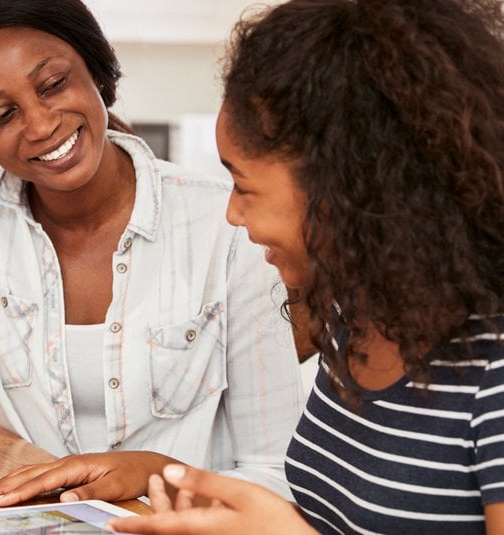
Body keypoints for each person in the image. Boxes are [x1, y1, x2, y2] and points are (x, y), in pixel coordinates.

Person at [0, 0, 304, 531]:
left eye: (52, 84)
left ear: (97, 70)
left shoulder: (224, 221)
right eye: (2, 115)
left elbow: (275, 473)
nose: (41, 125)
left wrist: (158, 474)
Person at [107, 0, 504, 533]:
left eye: (245, 186)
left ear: (346, 188)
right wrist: (177, 483)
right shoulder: (352, 317)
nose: (232, 212)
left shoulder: (492, 376)